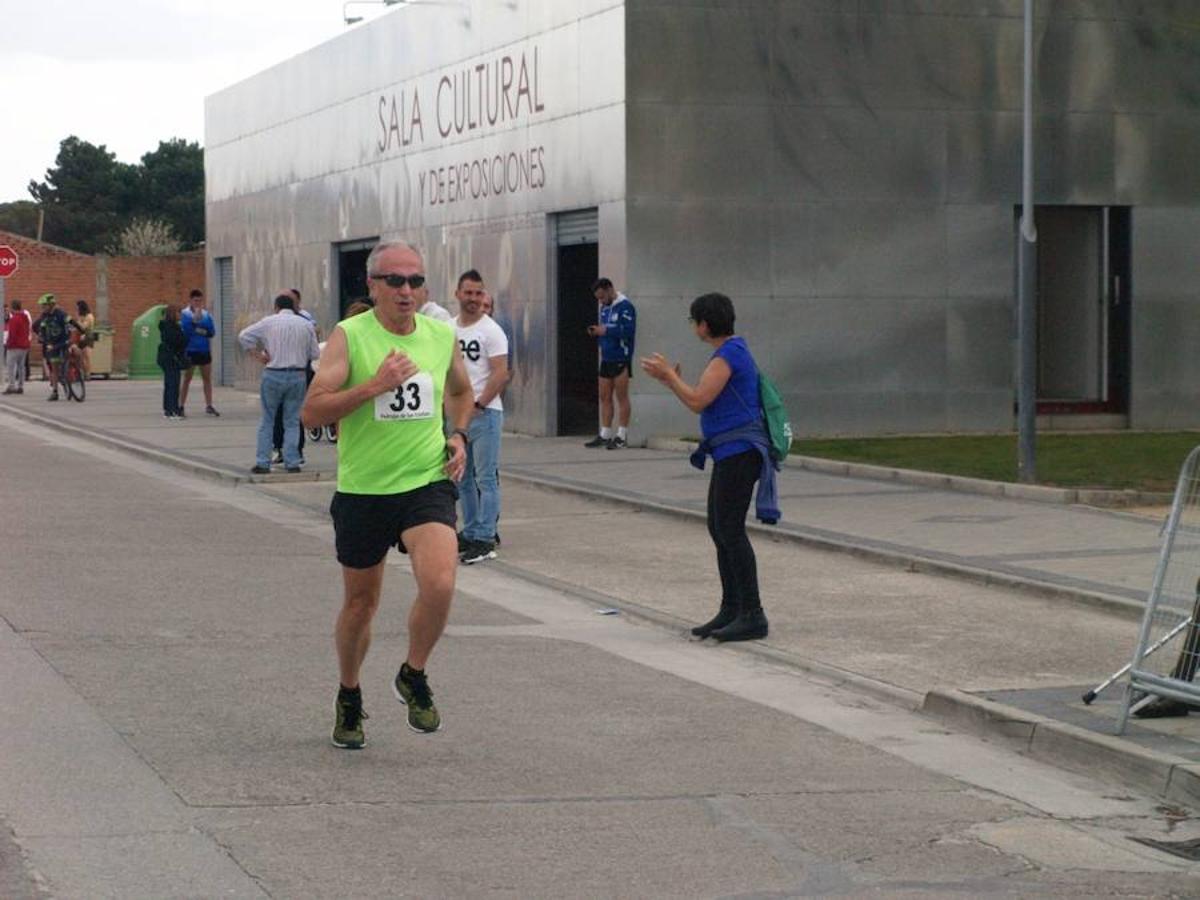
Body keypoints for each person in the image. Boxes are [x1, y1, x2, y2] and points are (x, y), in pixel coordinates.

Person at [301, 240, 473, 748]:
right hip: (364, 489)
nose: (406, 291)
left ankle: (412, 673)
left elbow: (462, 392)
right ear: (373, 285)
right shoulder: (350, 337)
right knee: (361, 604)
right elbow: (313, 412)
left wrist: (456, 434)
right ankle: (349, 693)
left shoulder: (441, 337)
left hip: (425, 481)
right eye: (394, 281)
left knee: (440, 582)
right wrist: (374, 386)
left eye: (415, 281)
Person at [640, 292, 774, 643]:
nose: (693, 327)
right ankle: (731, 608)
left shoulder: (729, 354)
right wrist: (673, 380)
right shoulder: (730, 353)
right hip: (729, 452)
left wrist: (670, 377)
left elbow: (699, 401)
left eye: (693, 321)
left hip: (740, 451)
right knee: (719, 527)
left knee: (730, 529)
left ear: (703, 324)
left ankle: (753, 613)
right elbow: (700, 398)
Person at [453, 269, 509, 565]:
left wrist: (478, 404)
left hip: (485, 414)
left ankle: (486, 536)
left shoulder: (491, 331)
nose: (473, 299)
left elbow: (501, 373)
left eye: (478, 293)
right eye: (468, 293)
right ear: (457, 294)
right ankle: (472, 530)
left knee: (485, 478)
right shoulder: (448, 328)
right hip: (456, 416)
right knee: (463, 478)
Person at [238, 293, 320, 474]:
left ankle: (263, 462)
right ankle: (292, 461)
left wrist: (258, 355)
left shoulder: (269, 322)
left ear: (276, 307)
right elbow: (315, 354)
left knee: (268, 419)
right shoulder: (306, 325)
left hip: (273, 374)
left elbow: (244, 336)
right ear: (294, 307)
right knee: (292, 420)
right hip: (298, 375)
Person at [585, 277, 636, 449]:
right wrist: (598, 333)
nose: (601, 301)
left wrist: (606, 330)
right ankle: (605, 433)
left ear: (609, 290)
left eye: (602, 297)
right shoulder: (604, 309)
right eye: (598, 298)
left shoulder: (626, 307)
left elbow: (628, 331)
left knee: (621, 396)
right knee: (604, 396)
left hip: (621, 357)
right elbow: (603, 330)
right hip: (606, 358)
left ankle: (621, 434)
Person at [273, 288, 315, 464]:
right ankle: (280, 448)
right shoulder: (277, 320)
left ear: (298, 302)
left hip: (299, 370)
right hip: (278, 370)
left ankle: (296, 451)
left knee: (294, 413)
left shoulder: (306, 320)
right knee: (278, 413)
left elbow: (313, 349)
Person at [179, 289, 219, 417]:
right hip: (190, 350)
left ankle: (209, 405)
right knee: (187, 379)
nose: (198, 303)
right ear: (190, 300)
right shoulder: (184, 314)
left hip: (204, 350)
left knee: (207, 379)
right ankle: (181, 405)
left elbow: (211, 332)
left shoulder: (207, 315)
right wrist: (197, 325)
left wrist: (197, 328)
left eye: (200, 301)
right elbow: (187, 330)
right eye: (196, 300)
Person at [33, 294, 70, 401]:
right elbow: (36, 326)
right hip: (51, 344)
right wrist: (42, 337)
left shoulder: (61, 314)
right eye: (42, 306)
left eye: (45, 305)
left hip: (64, 341)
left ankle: (73, 373)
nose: (43, 308)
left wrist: (81, 332)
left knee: (74, 352)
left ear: (51, 305)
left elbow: (71, 323)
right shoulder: (44, 316)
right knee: (54, 367)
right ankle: (55, 391)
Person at [156, 304, 188, 418]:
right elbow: (177, 341)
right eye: (179, 313)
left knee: (171, 383)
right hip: (170, 358)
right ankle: (171, 409)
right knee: (172, 384)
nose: (180, 315)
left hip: (169, 357)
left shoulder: (172, 326)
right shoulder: (170, 327)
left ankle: (170, 408)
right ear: (173, 314)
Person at [4, 300, 31, 394]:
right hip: (24, 345)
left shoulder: (14, 319)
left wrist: (8, 344)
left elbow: (12, 334)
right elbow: (28, 330)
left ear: (12, 308)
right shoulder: (25, 317)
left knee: (11, 366)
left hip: (14, 346)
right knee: (21, 366)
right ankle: (20, 386)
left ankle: (11, 386)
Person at [73, 300, 96, 379]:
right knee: (80, 356)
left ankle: (88, 373)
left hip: (88, 337)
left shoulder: (89, 316)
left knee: (87, 356)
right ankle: (82, 372)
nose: (76, 309)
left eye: (77, 307)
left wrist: (78, 322)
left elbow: (83, 327)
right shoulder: (80, 316)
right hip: (80, 337)